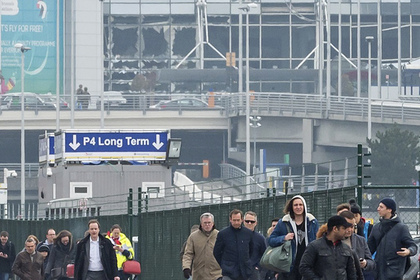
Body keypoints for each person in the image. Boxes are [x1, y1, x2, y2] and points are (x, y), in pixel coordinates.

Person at [268, 195, 319, 280]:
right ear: (291, 207)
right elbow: (271, 240)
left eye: (300, 205)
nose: (298, 207)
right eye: (295, 205)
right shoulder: (284, 222)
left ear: (304, 206)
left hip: (308, 264)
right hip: (289, 265)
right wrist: (284, 238)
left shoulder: (312, 222)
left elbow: (318, 240)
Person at [368, 197, 417, 280]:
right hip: (378, 272)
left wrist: (409, 251)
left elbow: (413, 246)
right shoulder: (376, 228)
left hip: (394, 273)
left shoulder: (401, 228)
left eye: (381, 207)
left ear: (389, 209)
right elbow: (368, 248)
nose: (378, 209)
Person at [299, 215, 357, 280]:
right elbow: (304, 268)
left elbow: (352, 274)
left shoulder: (346, 248)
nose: (346, 231)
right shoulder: (314, 246)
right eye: (343, 228)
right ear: (335, 229)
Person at [213, 209, 254, 280]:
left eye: (238, 220)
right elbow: (216, 252)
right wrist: (224, 264)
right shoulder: (223, 234)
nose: (236, 222)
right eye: (234, 220)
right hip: (228, 271)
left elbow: (251, 250)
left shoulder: (248, 233)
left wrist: (248, 262)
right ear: (230, 220)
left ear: (242, 220)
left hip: (244, 271)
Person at [182, 212, 222, 280]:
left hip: (216, 274)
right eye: (205, 223)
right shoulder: (193, 237)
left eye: (209, 222)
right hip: (199, 275)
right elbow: (188, 254)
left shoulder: (220, 236)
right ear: (201, 224)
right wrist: (186, 267)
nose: (207, 225)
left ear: (213, 223)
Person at [339, 210, 376, 280]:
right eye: (346, 226)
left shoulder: (361, 240)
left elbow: (372, 263)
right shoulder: (333, 241)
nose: (350, 229)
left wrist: (365, 263)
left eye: (352, 226)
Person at [243, 211, 266, 280]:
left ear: (256, 223)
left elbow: (264, 255)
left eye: (252, 222)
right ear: (243, 222)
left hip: (254, 272)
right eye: (247, 221)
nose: (249, 223)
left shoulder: (260, 238)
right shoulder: (236, 236)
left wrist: (258, 267)